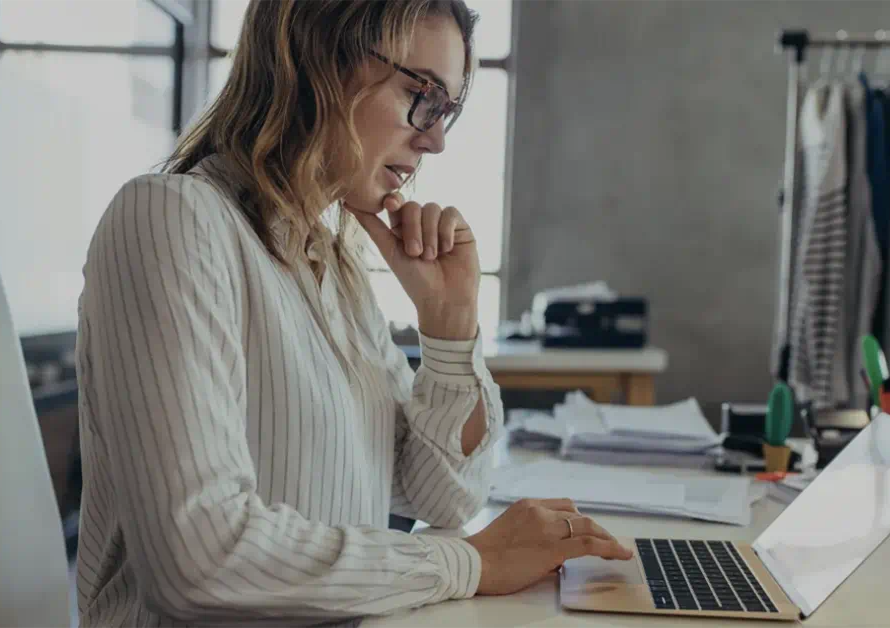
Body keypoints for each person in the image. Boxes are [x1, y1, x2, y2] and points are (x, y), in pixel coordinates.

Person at [73, 1, 632, 626]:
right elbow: (201, 558)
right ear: (316, 60)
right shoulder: (172, 218)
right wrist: (468, 562)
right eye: (423, 96)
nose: (436, 139)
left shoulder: (331, 265)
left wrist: (450, 326)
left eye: (447, 111)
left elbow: (444, 494)